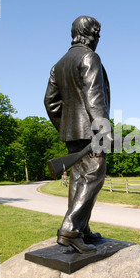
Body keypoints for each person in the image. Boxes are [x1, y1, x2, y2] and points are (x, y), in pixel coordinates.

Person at [44, 15, 110, 253]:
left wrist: (67, 128)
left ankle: (81, 229)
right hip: (91, 132)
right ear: (89, 35)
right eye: (97, 35)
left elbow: (50, 103)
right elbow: (95, 99)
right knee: (93, 177)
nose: (98, 40)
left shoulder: (58, 64)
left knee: (78, 181)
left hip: (73, 133)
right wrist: (102, 130)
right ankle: (71, 229)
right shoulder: (89, 57)